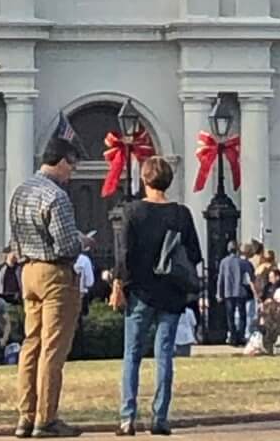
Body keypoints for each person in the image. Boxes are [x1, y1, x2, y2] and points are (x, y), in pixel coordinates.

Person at [111, 153, 202, 438]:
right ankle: (160, 417)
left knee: (132, 355)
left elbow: (123, 254)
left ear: (143, 179)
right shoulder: (181, 213)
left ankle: (128, 417)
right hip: (172, 293)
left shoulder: (133, 212)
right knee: (165, 356)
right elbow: (195, 254)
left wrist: (119, 285)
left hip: (140, 292)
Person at [8, 133, 89, 439]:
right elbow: (67, 245)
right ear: (61, 161)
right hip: (55, 274)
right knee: (53, 349)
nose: (72, 173)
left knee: (31, 345)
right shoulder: (56, 196)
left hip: (28, 271)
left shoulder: (21, 191)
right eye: (72, 166)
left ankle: (25, 416)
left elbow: (15, 237)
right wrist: (83, 241)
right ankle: (46, 417)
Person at [215, 240, 254, 347]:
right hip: (240, 292)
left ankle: (233, 337)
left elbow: (220, 279)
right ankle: (240, 336)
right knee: (242, 315)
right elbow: (251, 274)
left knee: (230, 316)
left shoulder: (224, 262)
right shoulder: (243, 262)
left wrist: (219, 293)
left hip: (228, 292)